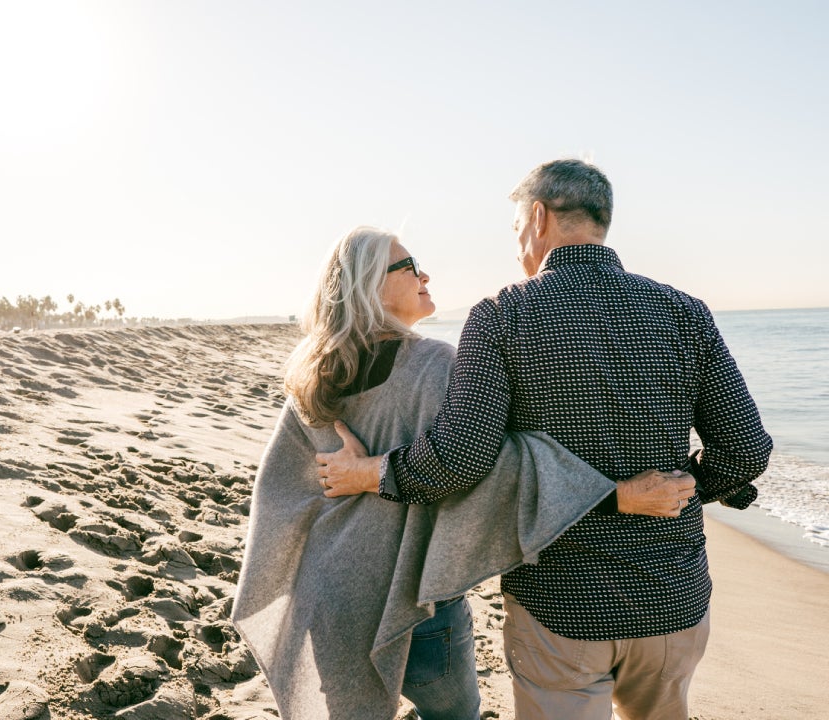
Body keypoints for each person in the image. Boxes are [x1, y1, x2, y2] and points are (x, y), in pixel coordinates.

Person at [319, 160, 773, 720]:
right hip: (672, 596)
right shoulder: (684, 311)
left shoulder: (501, 315)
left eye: (515, 229)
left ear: (537, 218)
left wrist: (372, 473)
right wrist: (686, 488)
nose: (517, 246)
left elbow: (459, 459)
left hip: (561, 604)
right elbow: (748, 450)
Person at [231, 226, 688, 720]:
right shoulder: (434, 365)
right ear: (368, 285)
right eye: (407, 266)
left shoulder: (311, 373)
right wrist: (614, 494)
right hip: (415, 605)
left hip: (329, 597)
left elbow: (279, 490)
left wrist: (352, 482)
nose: (424, 273)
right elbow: (492, 467)